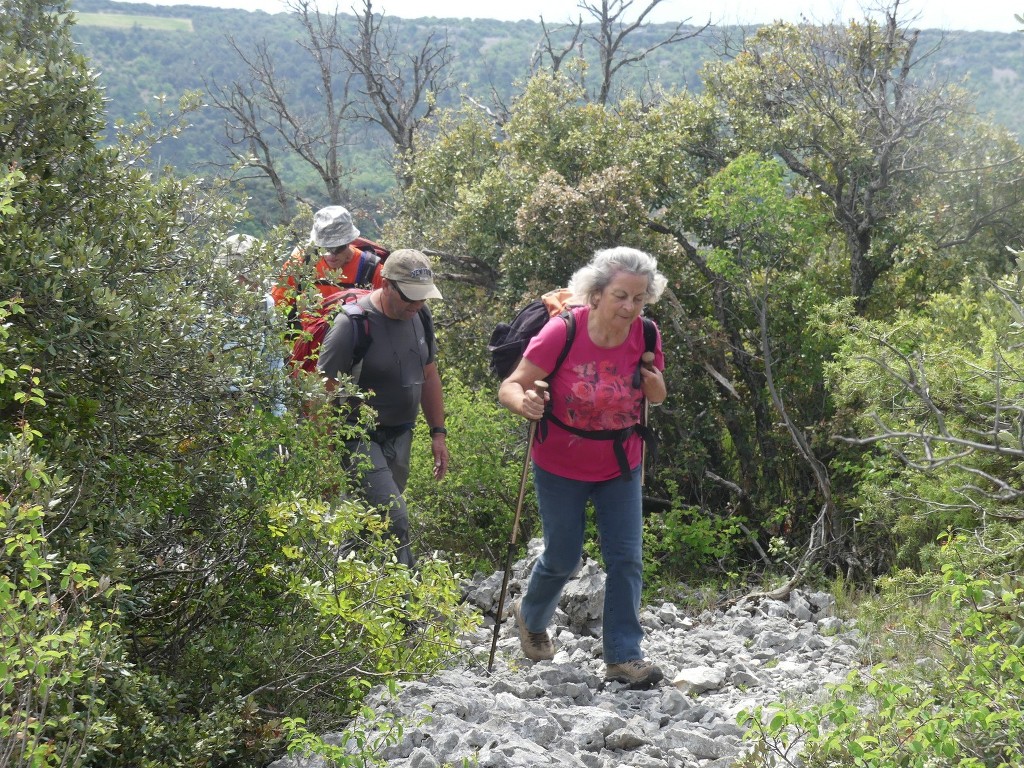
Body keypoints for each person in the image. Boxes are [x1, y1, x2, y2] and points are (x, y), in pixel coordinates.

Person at [498, 246, 668, 689]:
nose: (630, 307)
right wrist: (527, 403)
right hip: (559, 462)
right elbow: (511, 387)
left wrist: (657, 387)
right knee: (563, 555)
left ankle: (623, 656)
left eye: (638, 298)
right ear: (595, 294)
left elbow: (657, 395)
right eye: (620, 296)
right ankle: (530, 617)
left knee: (626, 559)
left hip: (620, 462)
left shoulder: (647, 335)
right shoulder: (562, 332)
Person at [317, 249, 448, 568]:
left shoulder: (421, 315)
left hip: (401, 434)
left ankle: (338, 578)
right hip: (357, 437)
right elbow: (322, 393)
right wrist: (321, 459)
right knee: (395, 515)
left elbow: (428, 374)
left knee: (369, 518)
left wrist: (438, 433)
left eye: (422, 298)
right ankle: (407, 605)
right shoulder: (352, 325)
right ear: (387, 284)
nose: (416, 305)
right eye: (410, 298)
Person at [215, 233, 286, 417]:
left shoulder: (265, 304)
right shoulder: (204, 304)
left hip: (244, 407)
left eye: (249, 277)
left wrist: (278, 412)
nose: (245, 283)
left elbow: (273, 360)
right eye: (241, 276)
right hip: (206, 406)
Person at [270, 205, 384, 309]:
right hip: (305, 330)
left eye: (337, 248)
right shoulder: (301, 262)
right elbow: (279, 303)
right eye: (323, 248)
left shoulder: (370, 269)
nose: (330, 255)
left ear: (349, 241)